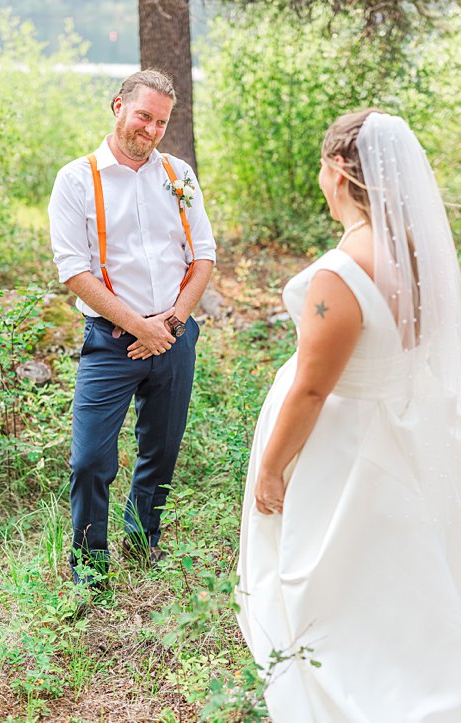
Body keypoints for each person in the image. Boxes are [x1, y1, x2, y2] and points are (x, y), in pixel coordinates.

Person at [235, 109, 461, 721]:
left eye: (319, 165)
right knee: (392, 561)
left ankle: (361, 683)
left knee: (336, 569)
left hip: (345, 440)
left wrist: (273, 468)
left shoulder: (341, 272)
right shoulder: (419, 255)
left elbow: (312, 389)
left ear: (337, 170)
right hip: (400, 423)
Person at [46, 69, 216, 585]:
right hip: (111, 342)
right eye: (144, 115)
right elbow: (73, 269)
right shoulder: (77, 179)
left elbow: (203, 255)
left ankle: (143, 543)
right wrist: (139, 327)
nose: (151, 129)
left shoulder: (179, 175)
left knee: (160, 452)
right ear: (117, 106)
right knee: (90, 460)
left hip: (174, 334)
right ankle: (90, 569)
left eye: (161, 122)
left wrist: (172, 322)